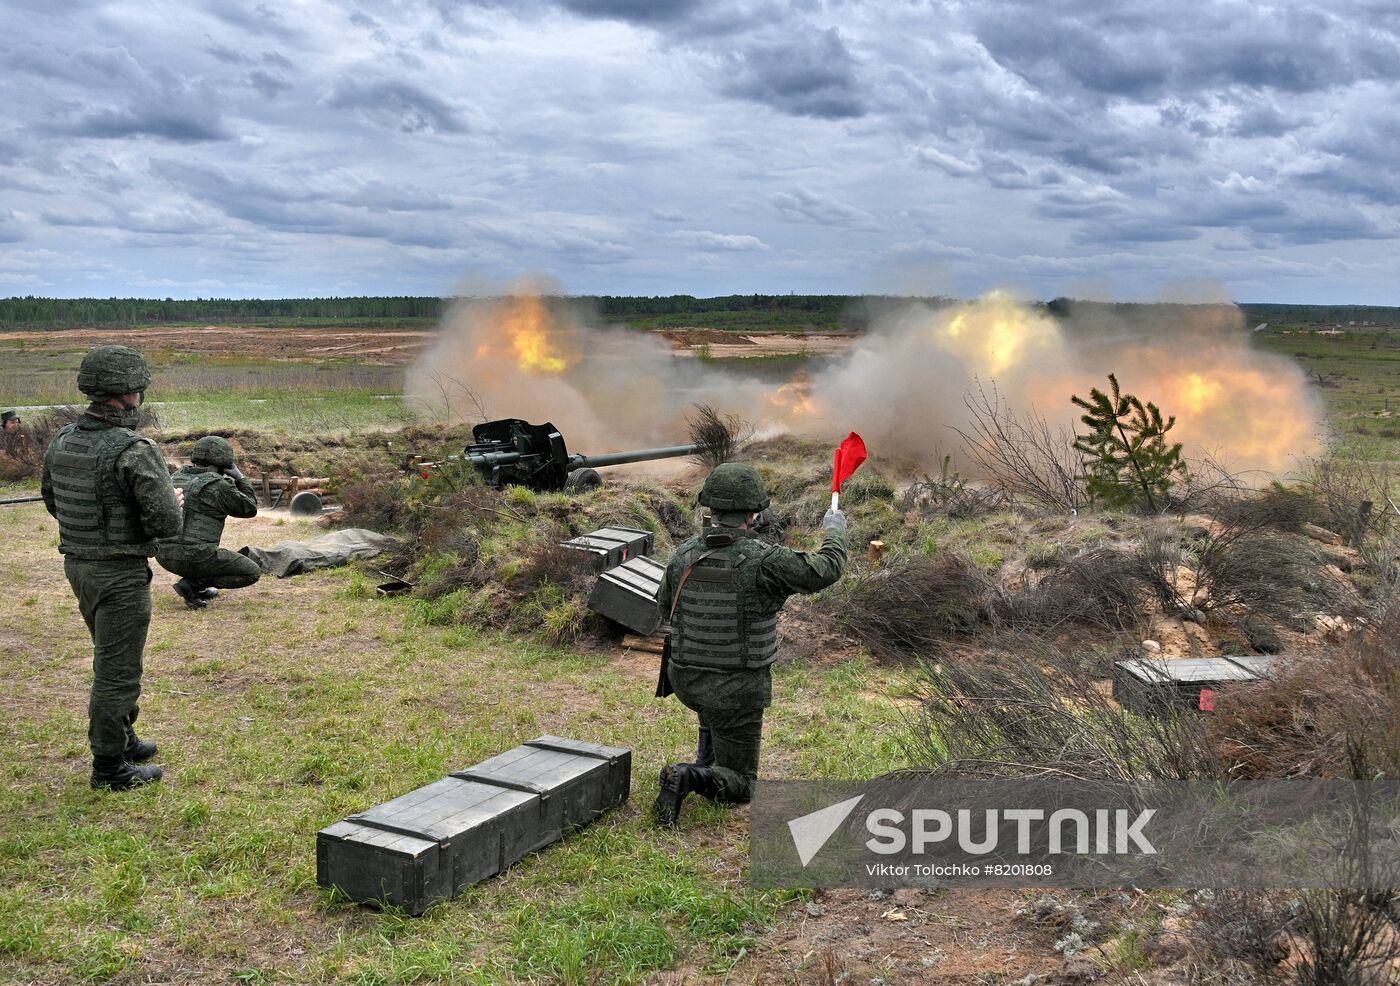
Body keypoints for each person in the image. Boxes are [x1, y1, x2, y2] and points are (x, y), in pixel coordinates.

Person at [652, 462, 847, 827]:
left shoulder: (682, 554)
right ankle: (691, 776)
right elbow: (827, 568)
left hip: (686, 680)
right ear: (754, 511)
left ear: (710, 507)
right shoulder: (764, 561)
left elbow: (664, 608)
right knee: (743, 785)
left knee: (715, 712)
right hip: (735, 689)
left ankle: (706, 762)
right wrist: (835, 527)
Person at [41, 345, 183, 791]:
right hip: (119, 573)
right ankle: (109, 768)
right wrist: (174, 502)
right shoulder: (134, 449)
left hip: (79, 567)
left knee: (111, 659)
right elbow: (166, 522)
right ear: (129, 393)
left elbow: (53, 501)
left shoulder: (63, 438)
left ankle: (122, 738)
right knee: (117, 670)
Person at [156, 436, 261, 610]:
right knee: (251, 572)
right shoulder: (220, 485)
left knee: (199, 555)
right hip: (197, 556)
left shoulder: (173, 478)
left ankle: (198, 586)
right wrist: (240, 477)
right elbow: (250, 509)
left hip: (165, 556)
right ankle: (194, 584)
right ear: (225, 461)